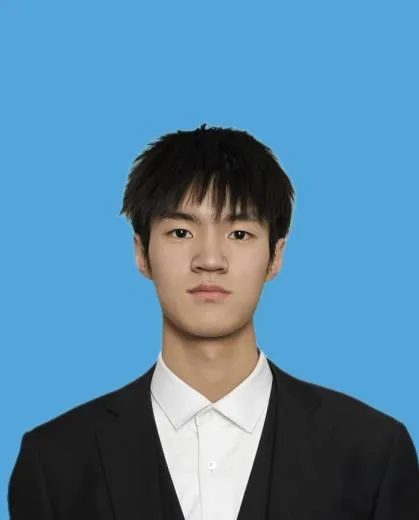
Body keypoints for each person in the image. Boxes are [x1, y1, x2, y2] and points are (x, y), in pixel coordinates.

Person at [8, 124, 419, 519]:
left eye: (238, 234)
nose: (209, 259)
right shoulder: (54, 462)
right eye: (180, 232)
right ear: (141, 253)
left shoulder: (373, 453)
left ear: (275, 256)